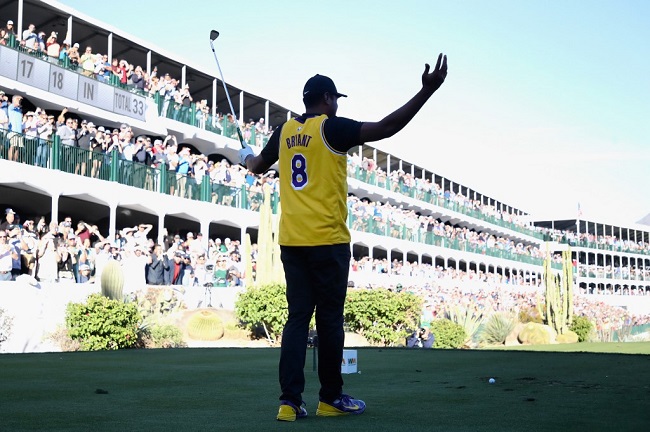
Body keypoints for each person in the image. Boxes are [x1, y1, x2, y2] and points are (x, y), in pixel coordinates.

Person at [239, 54, 448, 421]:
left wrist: (245, 157)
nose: (336, 105)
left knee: (296, 320)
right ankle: (330, 398)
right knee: (330, 320)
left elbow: (256, 166)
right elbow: (387, 127)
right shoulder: (330, 128)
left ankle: (289, 403)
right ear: (326, 99)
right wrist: (425, 92)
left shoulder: (284, 132)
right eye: (335, 99)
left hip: (292, 241)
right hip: (328, 241)